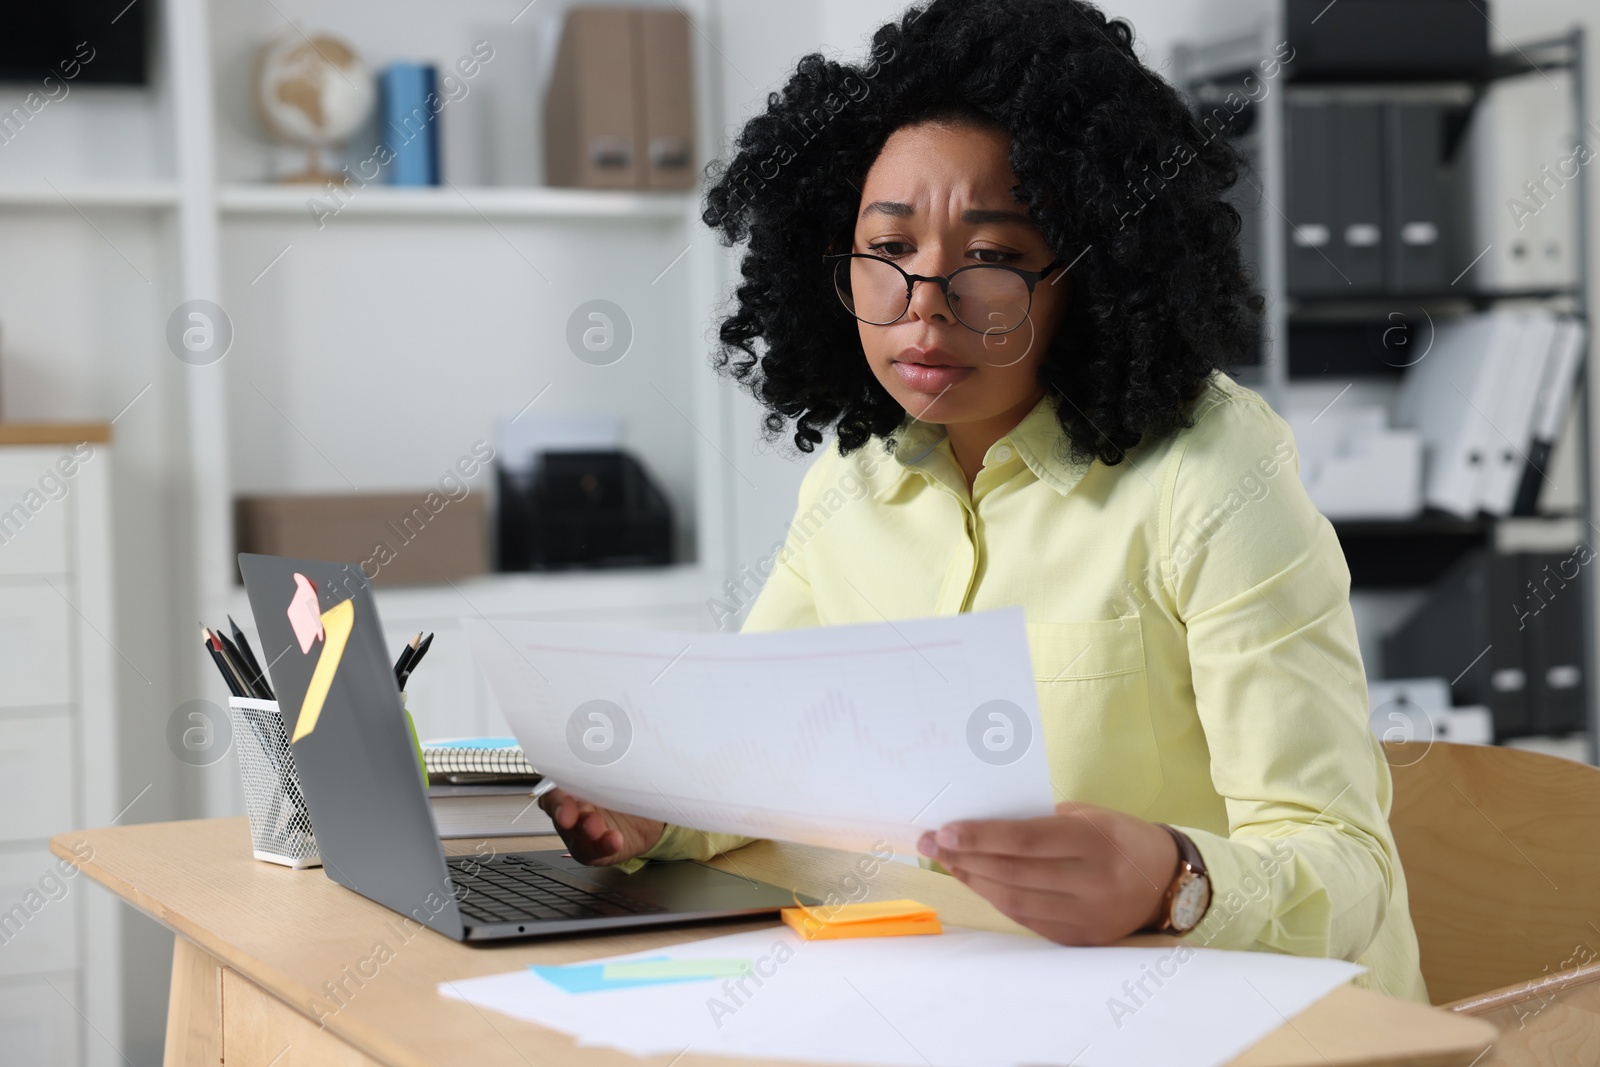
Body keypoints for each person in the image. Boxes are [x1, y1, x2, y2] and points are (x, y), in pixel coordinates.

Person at [538, 0, 1428, 1002]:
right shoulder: (855, 476)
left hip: (1259, 1026)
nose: (924, 300)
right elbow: (762, 750)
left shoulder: (1213, 472)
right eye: (888, 249)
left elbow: (1350, 865)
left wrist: (1175, 879)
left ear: (1093, 273)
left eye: (993, 258)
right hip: (989, 1005)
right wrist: (655, 813)